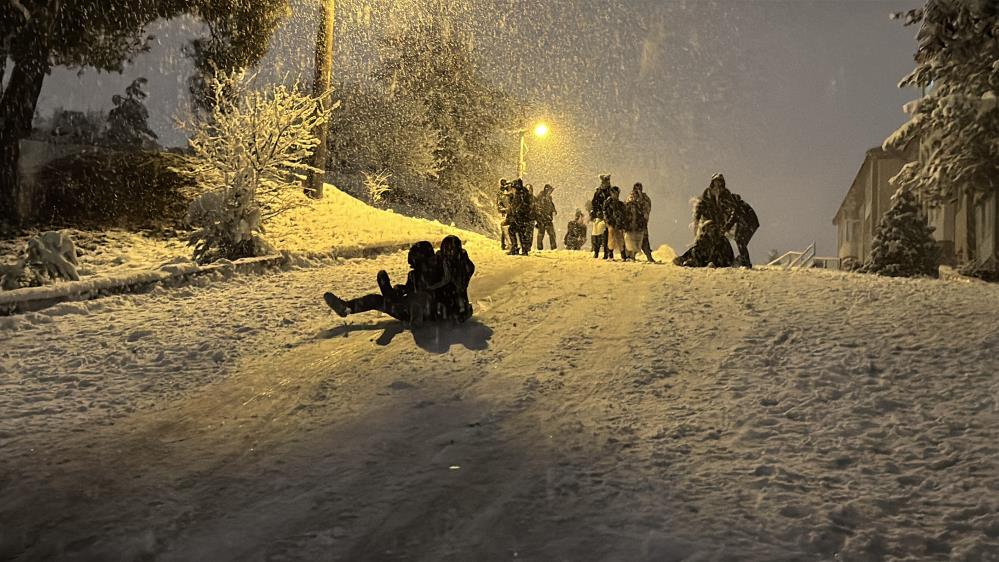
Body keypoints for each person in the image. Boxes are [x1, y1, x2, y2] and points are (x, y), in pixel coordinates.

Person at [323, 241, 444, 325]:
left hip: (424, 311)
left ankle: (394, 300)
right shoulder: (415, 274)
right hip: (407, 308)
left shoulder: (437, 271)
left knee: (416, 300)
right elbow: (410, 288)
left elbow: (432, 291)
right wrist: (400, 290)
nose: (412, 265)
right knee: (375, 299)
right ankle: (346, 308)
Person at [674, 173, 736, 268]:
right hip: (709, 221)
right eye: (716, 182)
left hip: (720, 225)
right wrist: (698, 217)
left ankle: (712, 261)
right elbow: (701, 205)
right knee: (701, 244)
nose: (717, 185)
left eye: (719, 182)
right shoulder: (708, 193)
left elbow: (731, 209)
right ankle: (688, 259)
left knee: (718, 244)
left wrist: (726, 224)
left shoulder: (726, 194)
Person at [434, 235, 476, 322]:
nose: (449, 252)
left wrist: (461, 280)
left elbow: (469, 270)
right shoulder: (439, 258)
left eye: (451, 249)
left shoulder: (462, 259)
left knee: (460, 310)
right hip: (441, 288)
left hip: (456, 289)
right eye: (446, 249)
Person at [726, 192, 759, 268]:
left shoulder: (738, 207)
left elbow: (733, 218)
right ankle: (743, 258)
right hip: (750, 224)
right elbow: (734, 218)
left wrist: (726, 227)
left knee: (740, 241)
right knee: (740, 241)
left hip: (749, 224)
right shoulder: (741, 205)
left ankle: (745, 261)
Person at [507, 179, 534, 256]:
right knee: (521, 233)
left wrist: (516, 212)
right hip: (522, 217)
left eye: (514, 187)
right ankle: (523, 250)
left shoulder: (520, 194)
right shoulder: (523, 193)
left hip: (520, 217)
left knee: (513, 231)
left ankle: (515, 248)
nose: (513, 189)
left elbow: (519, 205)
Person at [590, 174, 613, 258]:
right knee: (596, 235)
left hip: (608, 216)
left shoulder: (611, 192)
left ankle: (607, 253)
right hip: (598, 216)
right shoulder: (598, 192)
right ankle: (596, 251)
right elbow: (594, 203)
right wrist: (593, 214)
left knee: (607, 235)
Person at [602, 185, 626, 261]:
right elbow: (605, 213)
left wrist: (622, 221)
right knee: (611, 238)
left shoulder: (620, 204)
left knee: (620, 238)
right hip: (611, 223)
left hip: (618, 223)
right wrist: (608, 220)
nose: (616, 195)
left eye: (617, 193)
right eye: (615, 193)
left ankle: (623, 255)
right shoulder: (608, 203)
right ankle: (610, 255)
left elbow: (623, 213)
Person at [633, 182, 655, 262]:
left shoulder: (645, 198)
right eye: (636, 188)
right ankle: (631, 256)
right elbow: (628, 206)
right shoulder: (631, 197)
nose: (638, 190)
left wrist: (641, 199)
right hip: (633, 223)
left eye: (639, 188)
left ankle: (649, 256)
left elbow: (647, 207)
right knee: (633, 240)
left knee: (644, 240)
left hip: (641, 222)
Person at [623, 186, 647, 261]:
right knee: (629, 241)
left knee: (636, 241)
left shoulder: (641, 202)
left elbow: (643, 213)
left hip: (637, 226)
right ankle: (629, 256)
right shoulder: (628, 203)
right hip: (630, 225)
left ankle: (632, 255)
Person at [534, 183, 558, 250]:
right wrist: (544, 216)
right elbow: (539, 208)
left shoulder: (549, 197)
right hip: (542, 219)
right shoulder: (541, 197)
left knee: (552, 233)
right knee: (541, 234)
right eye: (550, 190)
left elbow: (551, 205)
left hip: (548, 219)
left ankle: (553, 247)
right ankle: (539, 248)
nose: (550, 192)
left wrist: (554, 210)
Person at [497, 178, 512, 252]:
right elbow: (499, 203)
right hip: (504, 213)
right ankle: (504, 244)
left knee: (506, 228)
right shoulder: (501, 193)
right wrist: (504, 210)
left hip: (509, 212)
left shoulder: (510, 193)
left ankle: (506, 244)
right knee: (504, 228)